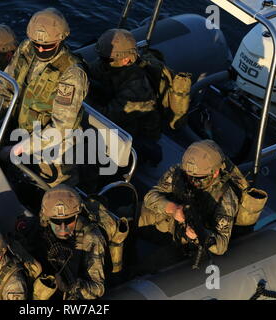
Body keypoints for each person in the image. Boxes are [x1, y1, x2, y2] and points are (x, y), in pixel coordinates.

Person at [0, 8, 89, 187]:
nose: (40, 49)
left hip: (52, 157)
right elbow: (4, 86)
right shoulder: (26, 49)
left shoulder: (72, 74)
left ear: (61, 40)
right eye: (36, 44)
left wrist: (19, 149)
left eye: (47, 46)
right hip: (19, 134)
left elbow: (60, 128)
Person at [138, 140, 239, 272]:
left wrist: (198, 235)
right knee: (122, 220)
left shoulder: (225, 198)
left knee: (146, 270)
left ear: (215, 173)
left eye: (198, 178)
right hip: (164, 223)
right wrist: (172, 209)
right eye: (189, 176)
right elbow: (151, 196)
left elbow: (221, 245)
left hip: (184, 245)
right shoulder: (180, 173)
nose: (192, 181)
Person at [87, 28, 162, 166]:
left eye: (106, 59)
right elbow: (92, 72)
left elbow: (107, 117)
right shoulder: (108, 64)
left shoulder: (137, 88)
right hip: (115, 116)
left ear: (126, 60)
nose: (102, 61)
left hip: (133, 133)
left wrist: (81, 99)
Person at [17, 185, 106, 300]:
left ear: (76, 215)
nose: (63, 228)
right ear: (48, 217)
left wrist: (72, 286)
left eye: (68, 220)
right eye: (57, 221)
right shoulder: (43, 222)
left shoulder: (91, 238)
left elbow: (98, 288)